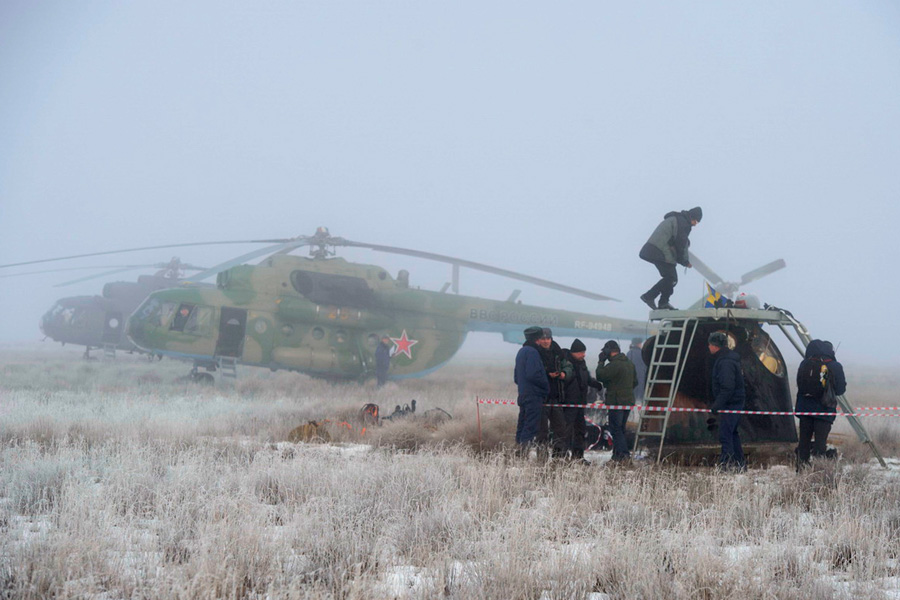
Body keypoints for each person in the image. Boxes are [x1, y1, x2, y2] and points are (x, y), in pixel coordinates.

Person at [795, 339, 846, 469]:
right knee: (820, 443)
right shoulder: (835, 366)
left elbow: (799, 384)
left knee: (804, 442)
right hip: (824, 410)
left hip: (805, 409)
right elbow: (841, 390)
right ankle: (818, 472)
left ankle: (800, 470)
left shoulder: (804, 363)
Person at [639, 207, 702, 310]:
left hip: (653, 249)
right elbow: (681, 243)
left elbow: (676, 241)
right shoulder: (683, 223)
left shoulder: (676, 219)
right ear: (692, 217)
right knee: (671, 278)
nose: (695, 224)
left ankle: (661, 301)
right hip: (659, 251)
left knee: (670, 278)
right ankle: (652, 298)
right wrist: (685, 261)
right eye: (696, 221)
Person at [708, 331, 747, 471]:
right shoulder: (728, 358)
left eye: (710, 344)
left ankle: (726, 465)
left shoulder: (725, 362)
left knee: (725, 434)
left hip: (731, 403)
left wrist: (716, 405)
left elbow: (727, 387)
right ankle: (739, 464)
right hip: (734, 402)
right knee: (732, 433)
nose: (708, 347)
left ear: (715, 345)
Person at [595, 340, 639, 462]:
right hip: (628, 401)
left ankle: (624, 456)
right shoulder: (629, 364)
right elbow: (635, 382)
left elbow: (600, 375)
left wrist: (600, 362)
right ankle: (617, 455)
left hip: (616, 402)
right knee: (621, 429)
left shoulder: (614, 365)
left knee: (615, 429)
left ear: (609, 351)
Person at [563, 339, 604, 463]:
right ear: (574, 352)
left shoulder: (582, 364)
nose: (583, 354)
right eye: (581, 352)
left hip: (580, 403)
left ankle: (578, 456)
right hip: (568, 403)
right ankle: (563, 456)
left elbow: (586, 378)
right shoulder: (566, 364)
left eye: (584, 352)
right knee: (566, 430)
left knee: (580, 430)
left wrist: (596, 384)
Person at [536, 328, 572, 458]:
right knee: (542, 431)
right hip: (541, 399)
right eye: (543, 339)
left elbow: (568, 367)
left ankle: (559, 457)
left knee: (560, 428)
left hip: (556, 397)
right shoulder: (535, 353)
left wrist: (563, 374)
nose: (546, 341)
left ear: (551, 339)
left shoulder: (558, 352)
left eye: (548, 338)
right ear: (539, 340)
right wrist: (547, 374)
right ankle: (542, 458)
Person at [514, 325, 550, 451]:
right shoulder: (533, 352)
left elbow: (516, 378)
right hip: (533, 396)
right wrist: (546, 386)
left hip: (523, 394)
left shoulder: (521, 352)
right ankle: (523, 453)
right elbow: (533, 374)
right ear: (537, 339)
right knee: (530, 427)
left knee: (522, 425)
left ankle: (517, 451)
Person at [626, 337, 647, 402]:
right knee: (640, 397)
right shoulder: (643, 353)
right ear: (639, 344)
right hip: (642, 378)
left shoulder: (629, 353)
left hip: (631, 378)